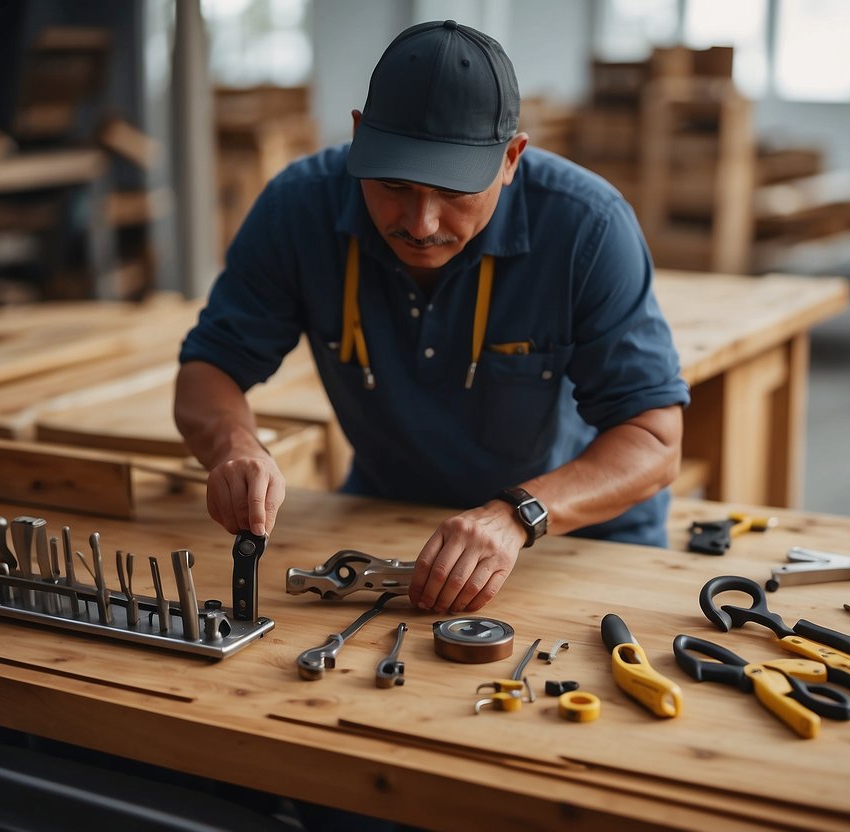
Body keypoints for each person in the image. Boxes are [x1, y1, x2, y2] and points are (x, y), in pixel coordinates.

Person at [174, 19, 689, 616]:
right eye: (393, 183)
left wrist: (518, 514)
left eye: (454, 190)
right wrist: (236, 445)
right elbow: (207, 369)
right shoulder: (298, 209)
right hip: (391, 516)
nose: (420, 224)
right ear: (359, 137)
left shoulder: (587, 227)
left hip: (575, 532)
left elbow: (654, 440)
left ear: (510, 159)